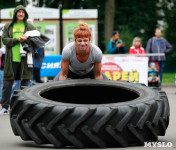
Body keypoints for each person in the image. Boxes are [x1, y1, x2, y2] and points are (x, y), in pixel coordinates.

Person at [0, 5, 36, 114]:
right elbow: (5, 40)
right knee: (7, 84)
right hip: (11, 60)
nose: (20, 14)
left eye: (23, 12)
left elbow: (35, 41)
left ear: (25, 14)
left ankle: (24, 108)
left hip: (25, 60)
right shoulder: (8, 26)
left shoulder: (29, 26)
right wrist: (17, 40)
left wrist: (26, 40)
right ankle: (5, 107)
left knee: (25, 84)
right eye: (18, 12)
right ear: (15, 13)